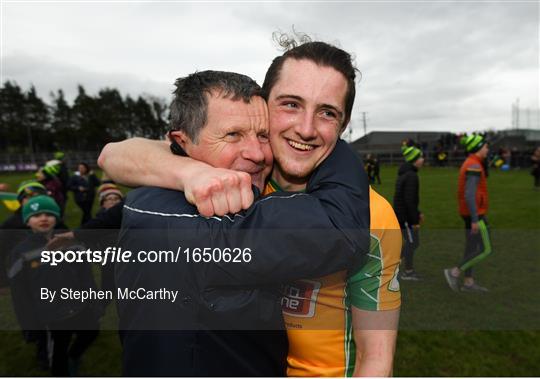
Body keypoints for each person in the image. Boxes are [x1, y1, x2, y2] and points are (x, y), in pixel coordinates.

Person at [100, 36, 399, 376]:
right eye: (290, 104)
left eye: (327, 113)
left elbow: (375, 359)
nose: (305, 128)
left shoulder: (371, 215)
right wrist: (190, 172)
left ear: (343, 125)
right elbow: (114, 155)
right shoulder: (232, 184)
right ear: (265, 105)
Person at [8, 195, 100, 376]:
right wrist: (29, 324)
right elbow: (19, 294)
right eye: (36, 215)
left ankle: (73, 356)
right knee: (58, 352)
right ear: (27, 222)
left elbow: (86, 276)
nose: (43, 218)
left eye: (48, 214)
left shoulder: (72, 244)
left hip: (79, 305)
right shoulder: (21, 253)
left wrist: (93, 300)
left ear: (56, 217)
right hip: (51, 315)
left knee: (91, 332)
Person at [444, 134, 492, 292]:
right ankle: (454, 272)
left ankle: (468, 282)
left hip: (471, 213)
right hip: (475, 215)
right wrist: (474, 219)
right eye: (485, 146)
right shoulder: (474, 166)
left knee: (471, 247)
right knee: (486, 248)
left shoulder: (474, 163)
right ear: (478, 148)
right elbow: (469, 194)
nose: (487, 149)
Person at [393, 141, 424, 280]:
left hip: (403, 215)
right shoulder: (411, 175)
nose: (423, 160)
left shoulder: (406, 173)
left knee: (411, 242)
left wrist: (418, 213)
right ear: (414, 160)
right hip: (404, 217)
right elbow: (409, 201)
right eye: (420, 157)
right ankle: (406, 272)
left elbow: (408, 199)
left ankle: (392, 266)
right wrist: (415, 220)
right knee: (412, 242)